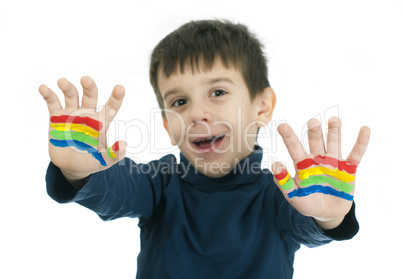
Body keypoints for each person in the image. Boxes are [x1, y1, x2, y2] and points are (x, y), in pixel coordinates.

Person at [39, 20, 370, 278]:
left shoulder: (279, 195)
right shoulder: (158, 183)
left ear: (262, 106)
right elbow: (114, 189)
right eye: (180, 102)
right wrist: (76, 171)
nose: (197, 113)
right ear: (168, 127)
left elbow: (307, 224)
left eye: (217, 93)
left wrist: (330, 215)